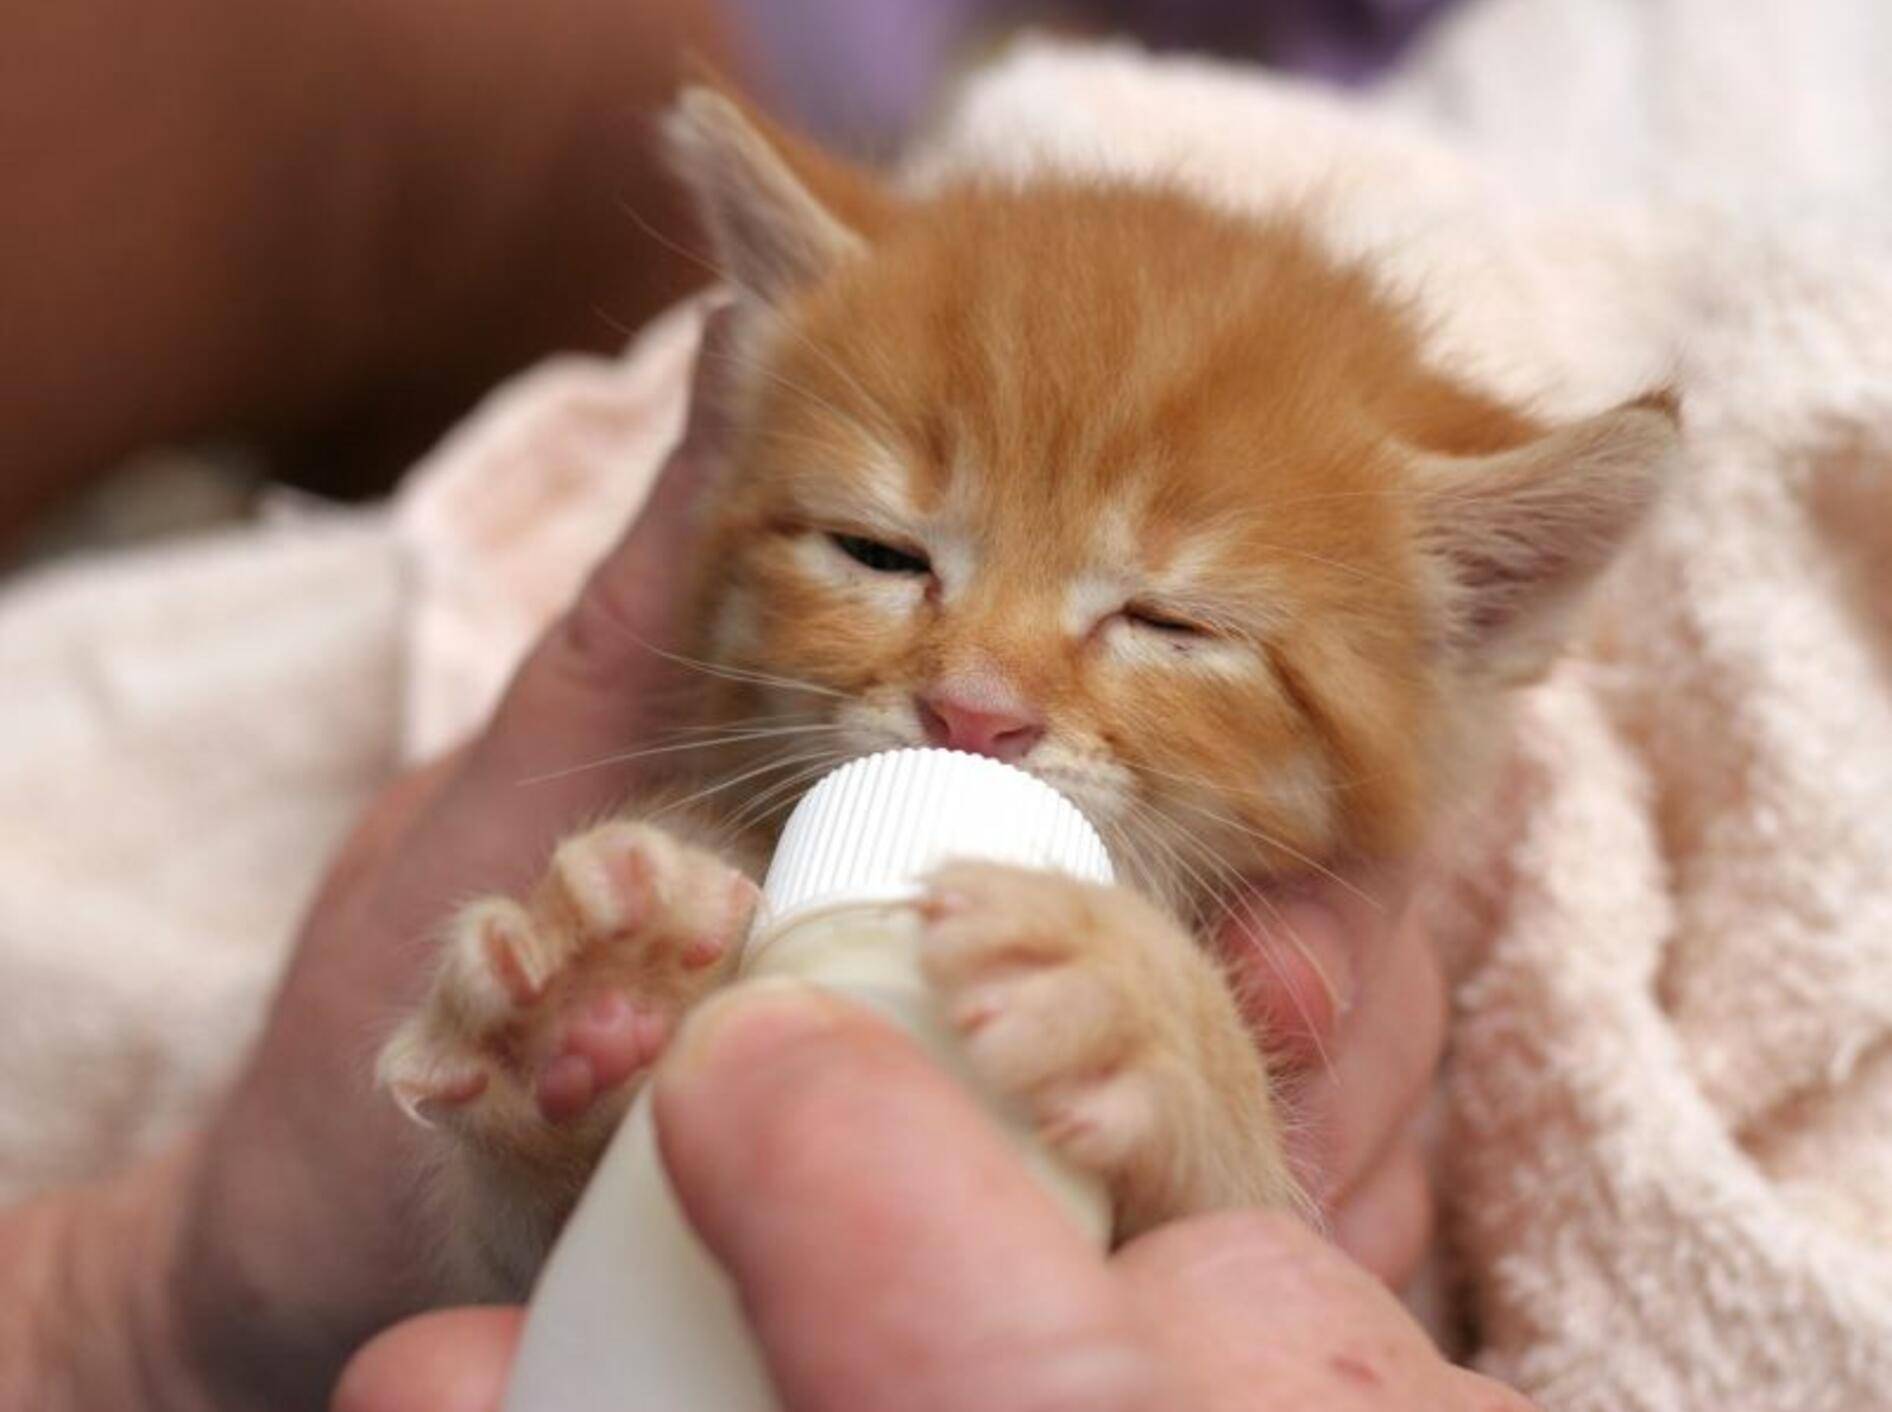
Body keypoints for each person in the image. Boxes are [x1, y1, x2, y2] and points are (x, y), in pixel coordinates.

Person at [0, 4, 1451, 1408]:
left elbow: (1255, 1253)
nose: (975, 691)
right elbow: (555, 1289)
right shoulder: (699, 875)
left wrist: (1197, 1074)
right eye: (880, 554)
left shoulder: (1290, 926)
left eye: (1172, 624)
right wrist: (553, 1124)